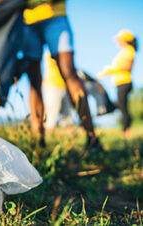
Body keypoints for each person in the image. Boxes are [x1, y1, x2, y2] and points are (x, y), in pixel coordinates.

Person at [22, 0, 101, 149]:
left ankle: (92, 137)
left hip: (55, 15)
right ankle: (39, 142)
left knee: (69, 72)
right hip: (27, 22)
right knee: (34, 80)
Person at [97, 29, 137, 138]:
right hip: (119, 82)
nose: (117, 42)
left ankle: (126, 132)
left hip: (124, 82)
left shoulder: (129, 50)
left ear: (124, 40)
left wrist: (112, 69)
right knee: (121, 105)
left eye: (119, 40)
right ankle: (110, 110)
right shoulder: (123, 52)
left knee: (123, 107)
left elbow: (127, 66)